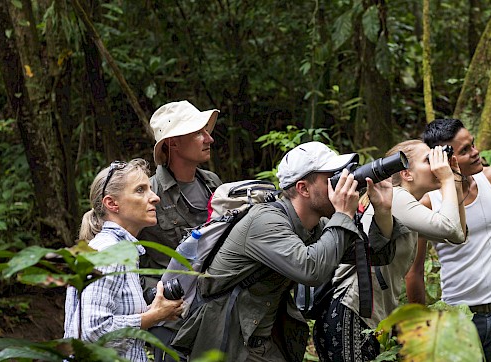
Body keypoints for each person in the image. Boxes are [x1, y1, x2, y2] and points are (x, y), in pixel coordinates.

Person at [173, 141, 404, 361]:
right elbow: (311, 270)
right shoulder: (265, 222)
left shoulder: (314, 226)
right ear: (303, 188)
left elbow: (374, 254)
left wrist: (382, 210)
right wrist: (343, 215)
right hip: (227, 341)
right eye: (332, 179)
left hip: (261, 342)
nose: (341, 184)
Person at [313, 140, 468, 362]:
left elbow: (458, 235)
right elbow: (452, 229)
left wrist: (455, 180)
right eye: (428, 160)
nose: (436, 164)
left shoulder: (404, 202)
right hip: (351, 310)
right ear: (406, 173)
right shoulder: (397, 198)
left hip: (365, 316)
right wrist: (445, 178)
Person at [407, 119, 491, 362]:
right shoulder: (430, 203)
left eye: (472, 145)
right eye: (464, 151)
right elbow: (414, 272)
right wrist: (422, 326)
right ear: (445, 159)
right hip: (459, 318)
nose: (475, 153)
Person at [64, 159, 185, 361]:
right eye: (140, 190)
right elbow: (94, 332)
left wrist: (157, 312)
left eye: (151, 189)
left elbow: (112, 319)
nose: (155, 198)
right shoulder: (107, 252)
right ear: (112, 204)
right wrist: (152, 317)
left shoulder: (120, 251)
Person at [138, 100, 222, 361]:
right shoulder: (149, 194)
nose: (208, 138)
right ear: (173, 143)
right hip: (171, 320)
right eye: (198, 132)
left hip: (212, 313)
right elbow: (127, 260)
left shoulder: (213, 184)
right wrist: (154, 296)